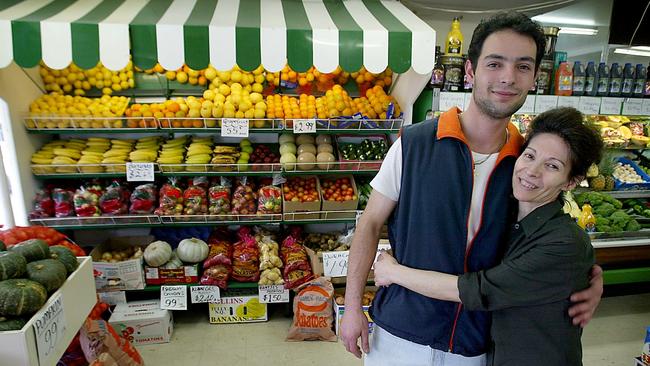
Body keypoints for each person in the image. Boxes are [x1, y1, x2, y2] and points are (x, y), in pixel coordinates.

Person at [340, 11, 603, 365]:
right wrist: (352, 306)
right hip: (398, 337)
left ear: (534, 78)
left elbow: (549, 240)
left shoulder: (525, 167)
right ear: (470, 70)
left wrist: (591, 280)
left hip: (474, 346)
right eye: (495, 63)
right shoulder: (414, 144)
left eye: (523, 67)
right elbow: (369, 224)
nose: (508, 77)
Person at [374, 107, 602, 366]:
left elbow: (480, 289)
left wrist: (394, 273)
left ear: (571, 182)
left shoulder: (565, 242)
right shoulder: (511, 217)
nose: (532, 171)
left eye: (552, 166)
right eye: (529, 156)